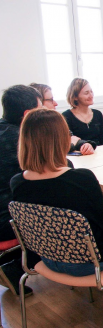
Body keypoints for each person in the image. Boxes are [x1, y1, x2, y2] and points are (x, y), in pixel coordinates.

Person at [10, 108, 103, 325]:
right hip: (88, 263)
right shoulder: (80, 179)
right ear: (59, 140)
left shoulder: (18, 183)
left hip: (46, 258)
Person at [0, 85, 42, 297]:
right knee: (60, 214)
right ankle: (14, 266)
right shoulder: (22, 139)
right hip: (8, 222)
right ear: (27, 115)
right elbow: (54, 170)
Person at [30, 82, 95, 155]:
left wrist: (84, 145)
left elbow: (70, 138)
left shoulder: (54, 122)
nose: (55, 103)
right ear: (39, 103)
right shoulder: (30, 130)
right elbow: (51, 151)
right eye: (51, 100)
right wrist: (72, 144)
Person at [62, 78, 103, 146]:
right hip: (79, 154)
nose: (91, 95)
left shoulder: (97, 114)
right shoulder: (66, 116)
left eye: (91, 91)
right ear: (75, 97)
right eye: (86, 93)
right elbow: (69, 144)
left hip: (99, 152)